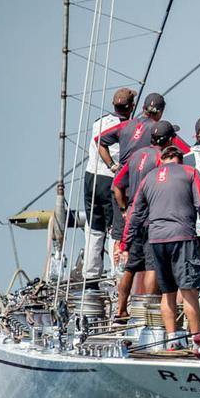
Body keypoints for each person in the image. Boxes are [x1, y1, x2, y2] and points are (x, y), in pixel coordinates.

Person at [123, 146, 200, 347]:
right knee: (189, 290)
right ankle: (196, 341)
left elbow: (135, 213)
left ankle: (172, 340)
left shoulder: (149, 177)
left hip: (156, 240)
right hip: (182, 236)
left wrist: (126, 243)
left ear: (162, 160)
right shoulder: (191, 172)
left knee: (168, 293)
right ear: (180, 160)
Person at [109, 120, 177, 320]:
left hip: (132, 215)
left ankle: (121, 310)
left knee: (130, 267)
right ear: (170, 140)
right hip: (151, 217)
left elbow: (116, 186)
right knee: (151, 266)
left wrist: (124, 210)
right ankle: (148, 313)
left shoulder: (136, 155)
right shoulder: (162, 160)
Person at [83, 87, 135, 285]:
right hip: (110, 180)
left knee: (94, 227)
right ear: (130, 107)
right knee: (116, 228)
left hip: (90, 178)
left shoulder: (99, 122)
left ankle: (90, 276)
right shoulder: (127, 128)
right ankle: (117, 277)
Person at [97, 92, 189, 171]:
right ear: (160, 112)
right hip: (144, 181)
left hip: (121, 181)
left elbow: (99, 140)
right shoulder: (160, 130)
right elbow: (188, 152)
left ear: (143, 108)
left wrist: (112, 165)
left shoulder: (124, 126)